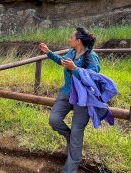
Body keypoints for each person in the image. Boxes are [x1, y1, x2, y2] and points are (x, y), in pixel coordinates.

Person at [38, 27, 100, 173]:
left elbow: (93, 77)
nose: (69, 39)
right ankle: (69, 136)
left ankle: (70, 168)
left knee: (78, 131)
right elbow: (62, 61)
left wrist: (75, 69)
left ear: (78, 41)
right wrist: (48, 52)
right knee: (54, 120)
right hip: (66, 93)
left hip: (83, 98)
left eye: (71, 37)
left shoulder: (92, 57)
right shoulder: (72, 52)